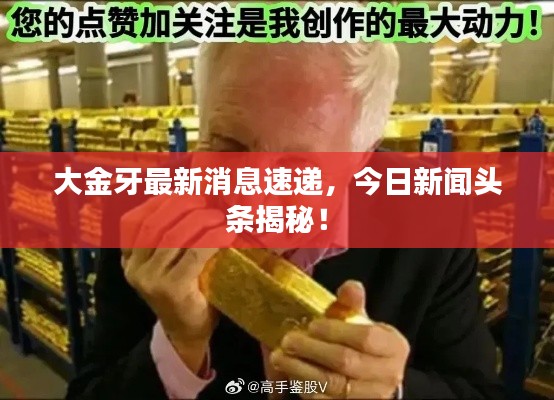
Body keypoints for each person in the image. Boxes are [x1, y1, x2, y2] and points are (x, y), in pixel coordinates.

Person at [66, 42, 504, 399]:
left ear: (361, 158)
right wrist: (178, 344)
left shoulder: (431, 217)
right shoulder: (145, 213)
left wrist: (392, 392)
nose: (250, 194)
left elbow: (477, 389)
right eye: (228, 144)